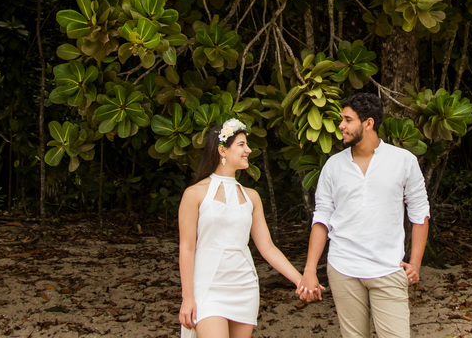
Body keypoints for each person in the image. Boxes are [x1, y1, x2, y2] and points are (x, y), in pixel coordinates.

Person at [296, 92, 430, 338]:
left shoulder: (403, 161)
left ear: (368, 123)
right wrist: (310, 269)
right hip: (343, 268)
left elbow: (420, 212)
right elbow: (322, 218)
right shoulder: (333, 166)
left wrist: (416, 263)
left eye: (348, 120)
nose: (341, 126)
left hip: (389, 268)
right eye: (341, 119)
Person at [178, 118, 309, 338]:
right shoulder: (194, 194)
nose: (248, 150)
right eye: (241, 145)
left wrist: (299, 280)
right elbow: (187, 248)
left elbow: (267, 247)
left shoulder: (252, 197)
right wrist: (187, 297)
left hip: (243, 285)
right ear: (222, 150)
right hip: (208, 285)